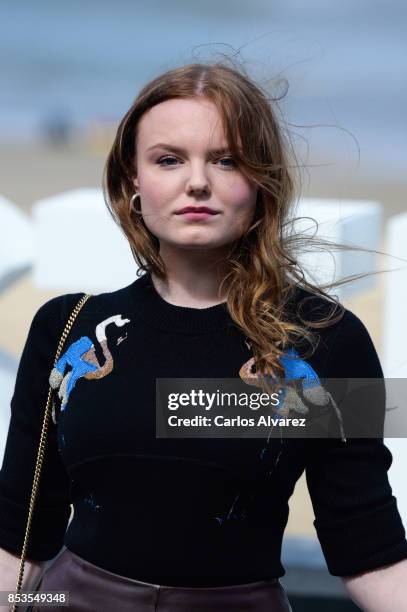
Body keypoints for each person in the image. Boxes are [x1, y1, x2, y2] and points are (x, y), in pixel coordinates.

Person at [1, 61, 407, 612]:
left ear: (262, 182)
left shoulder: (324, 342)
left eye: (226, 160)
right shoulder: (66, 328)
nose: (197, 182)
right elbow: (20, 537)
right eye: (168, 160)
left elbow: (369, 548)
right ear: (133, 183)